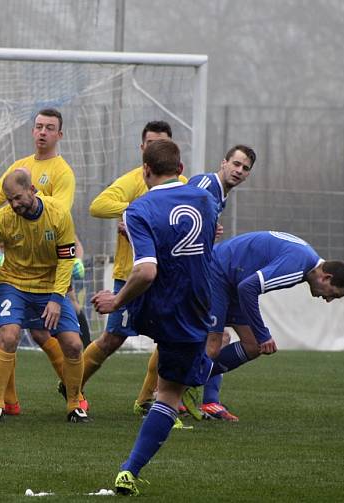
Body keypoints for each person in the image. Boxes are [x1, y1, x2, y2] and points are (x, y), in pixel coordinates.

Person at [91, 139, 218, 495]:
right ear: (180, 169)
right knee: (170, 393)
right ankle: (129, 469)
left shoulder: (139, 209)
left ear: (145, 170)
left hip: (164, 307)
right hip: (198, 305)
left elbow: (146, 271)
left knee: (173, 386)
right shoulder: (207, 200)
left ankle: (196, 378)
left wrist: (116, 300)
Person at [0, 108, 84, 416]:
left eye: (49, 128)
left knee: (60, 337)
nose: (42, 132)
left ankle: (76, 395)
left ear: (59, 134)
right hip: (17, 272)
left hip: (52, 266)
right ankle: (6, 402)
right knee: (3, 333)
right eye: (38, 126)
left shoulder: (62, 172)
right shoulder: (19, 166)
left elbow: (56, 218)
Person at [84, 121, 185, 417]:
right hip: (130, 273)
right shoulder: (132, 180)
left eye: (161, 144)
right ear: (142, 149)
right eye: (151, 144)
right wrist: (136, 209)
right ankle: (73, 387)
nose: (155, 149)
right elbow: (98, 206)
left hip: (165, 276)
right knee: (113, 338)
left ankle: (148, 400)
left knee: (169, 339)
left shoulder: (182, 183)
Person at [195, 231, 344, 413]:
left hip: (232, 279)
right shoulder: (298, 266)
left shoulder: (306, 260)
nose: (328, 300)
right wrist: (264, 334)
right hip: (217, 271)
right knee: (214, 343)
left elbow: (246, 286)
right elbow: (248, 288)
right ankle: (171, 397)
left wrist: (260, 337)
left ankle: (207, 400)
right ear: (326, 277)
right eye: (333, 294)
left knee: (253, 345)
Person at [177, 144, 256, 421]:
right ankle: (174, 398)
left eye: (245, 168)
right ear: (223, 162)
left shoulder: (219, 195)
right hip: (188, 274)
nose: (239, 170)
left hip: (198, 272)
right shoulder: (205, 184)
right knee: (206, 338)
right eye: (235, 164)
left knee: (218, 337)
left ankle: (204, 400)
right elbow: (180, 218)